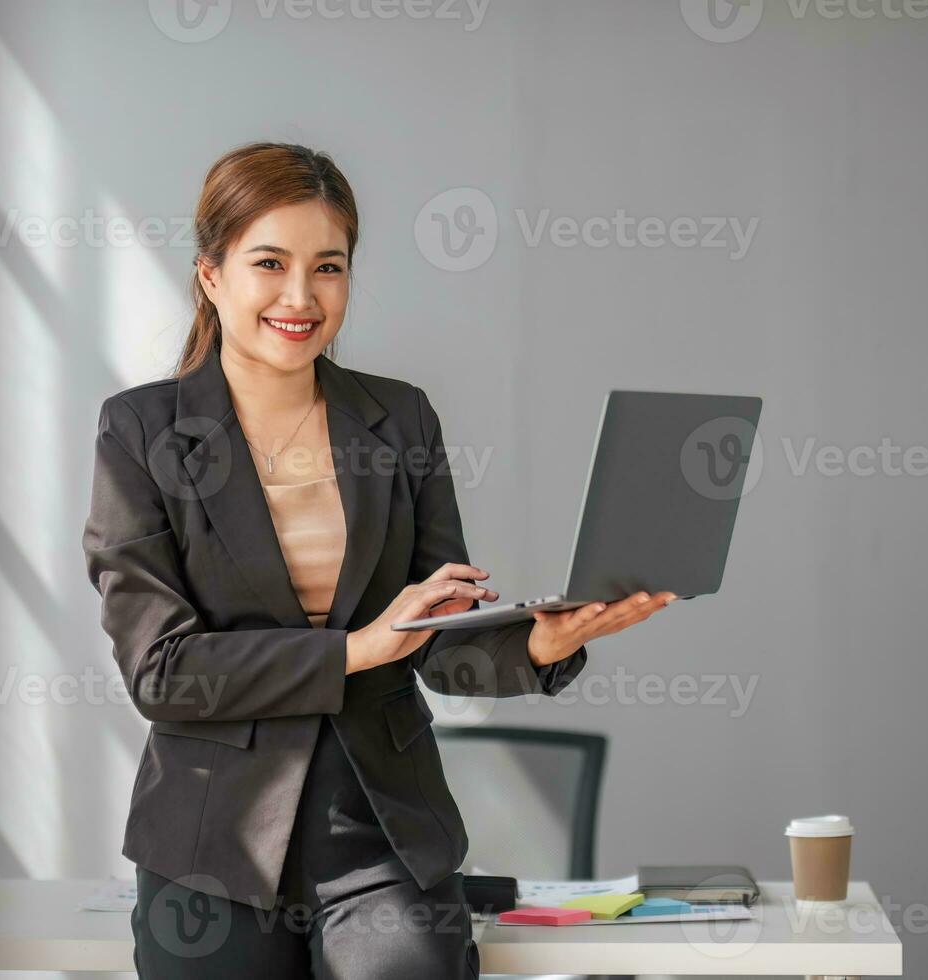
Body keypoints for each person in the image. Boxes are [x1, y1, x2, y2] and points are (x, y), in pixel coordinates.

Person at [81, 142, 673, 979]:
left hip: (382, 832)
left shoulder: (398, 420)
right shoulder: (139, 431)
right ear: (212, 275)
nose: (301, 295)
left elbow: (433, 637)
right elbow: (161, 670)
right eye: (270, 263)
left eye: (328, 266)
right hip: (211, 839)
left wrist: (541, 645)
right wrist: (357, 648)